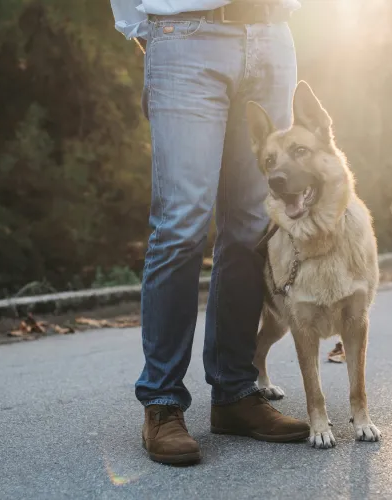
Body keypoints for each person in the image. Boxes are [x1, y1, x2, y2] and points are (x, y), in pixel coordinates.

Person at [109, 0, 309, 466]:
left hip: (270, 33)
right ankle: (161, 402)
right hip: (185, 37)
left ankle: (235, 392)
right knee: (182, 223)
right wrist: (141, 24)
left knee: (252, 225)